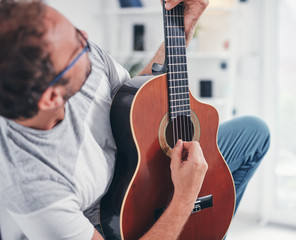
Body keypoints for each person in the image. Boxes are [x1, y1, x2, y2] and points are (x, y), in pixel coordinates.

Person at [0, 0, 270, 239]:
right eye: (77, 46)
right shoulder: (33, 188)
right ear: (50, 98)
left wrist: (180, 34)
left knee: (254, 134)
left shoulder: (80, 56)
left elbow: (134, 102)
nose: (86, 38)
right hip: (114, 220)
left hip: (142, 161)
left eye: (75, 30)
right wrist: (185, 199)